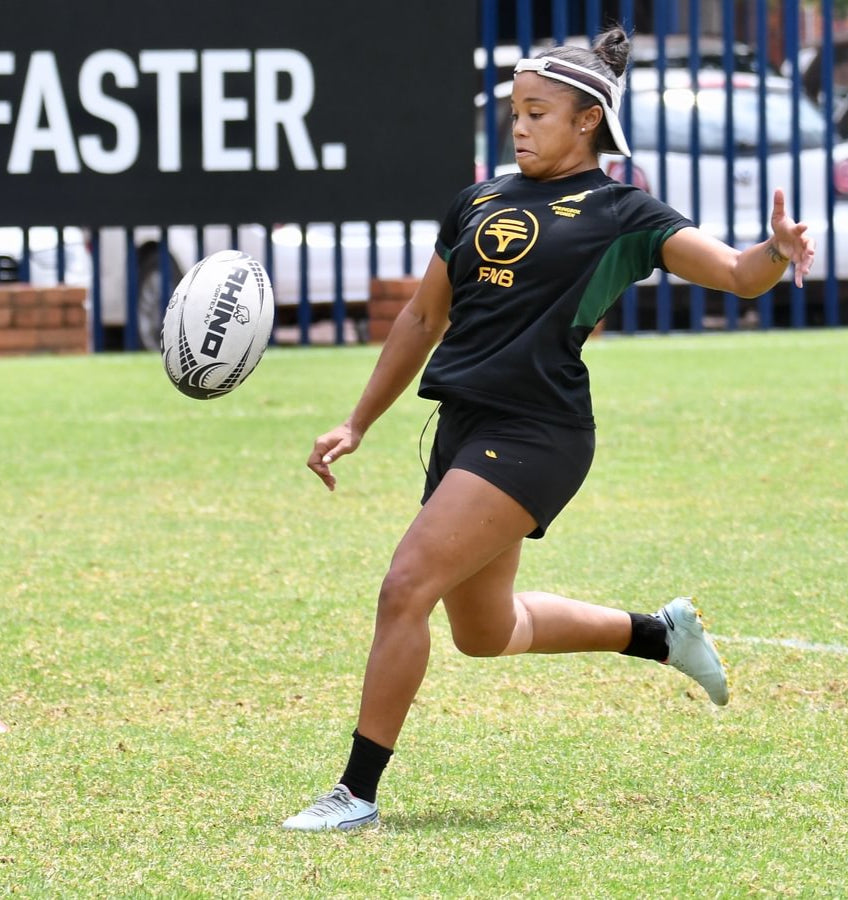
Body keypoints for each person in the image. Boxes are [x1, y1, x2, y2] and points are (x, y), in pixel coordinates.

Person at [282, 26, 815, 832]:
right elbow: (425, 315)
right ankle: (656, 634)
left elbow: (739, 276)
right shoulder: (478, 201)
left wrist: (774, 252)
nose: (520, 128)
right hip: (463, 427)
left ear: (586, 122)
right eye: (514, 115)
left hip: (538, 432)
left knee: (405, 587)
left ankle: (355, 794)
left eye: (537, 113)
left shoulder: (622, 212)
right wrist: (356, 421)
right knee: (484, 633)